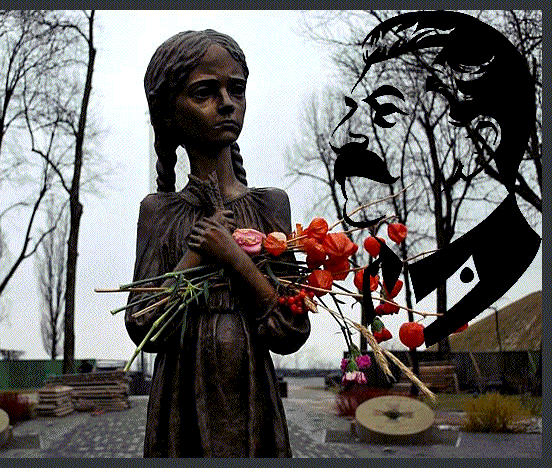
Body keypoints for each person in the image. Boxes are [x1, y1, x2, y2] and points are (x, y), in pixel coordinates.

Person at [125, 29, 310, 458]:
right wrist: (195, 254)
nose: (227, 103)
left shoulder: (270, 206)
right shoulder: (159, 212)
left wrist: (235, 259)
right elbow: (142, 325)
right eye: (205, 92)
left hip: (252, 391)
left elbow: (291, 329)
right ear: (169, 113)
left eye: (236, 89)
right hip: (181, 397)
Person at [331, 11, 540, 346]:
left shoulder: (517, 285)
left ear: (478, 143)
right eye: (351, 110)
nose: (342, 136)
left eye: (384, 112)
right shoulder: (390, 274)